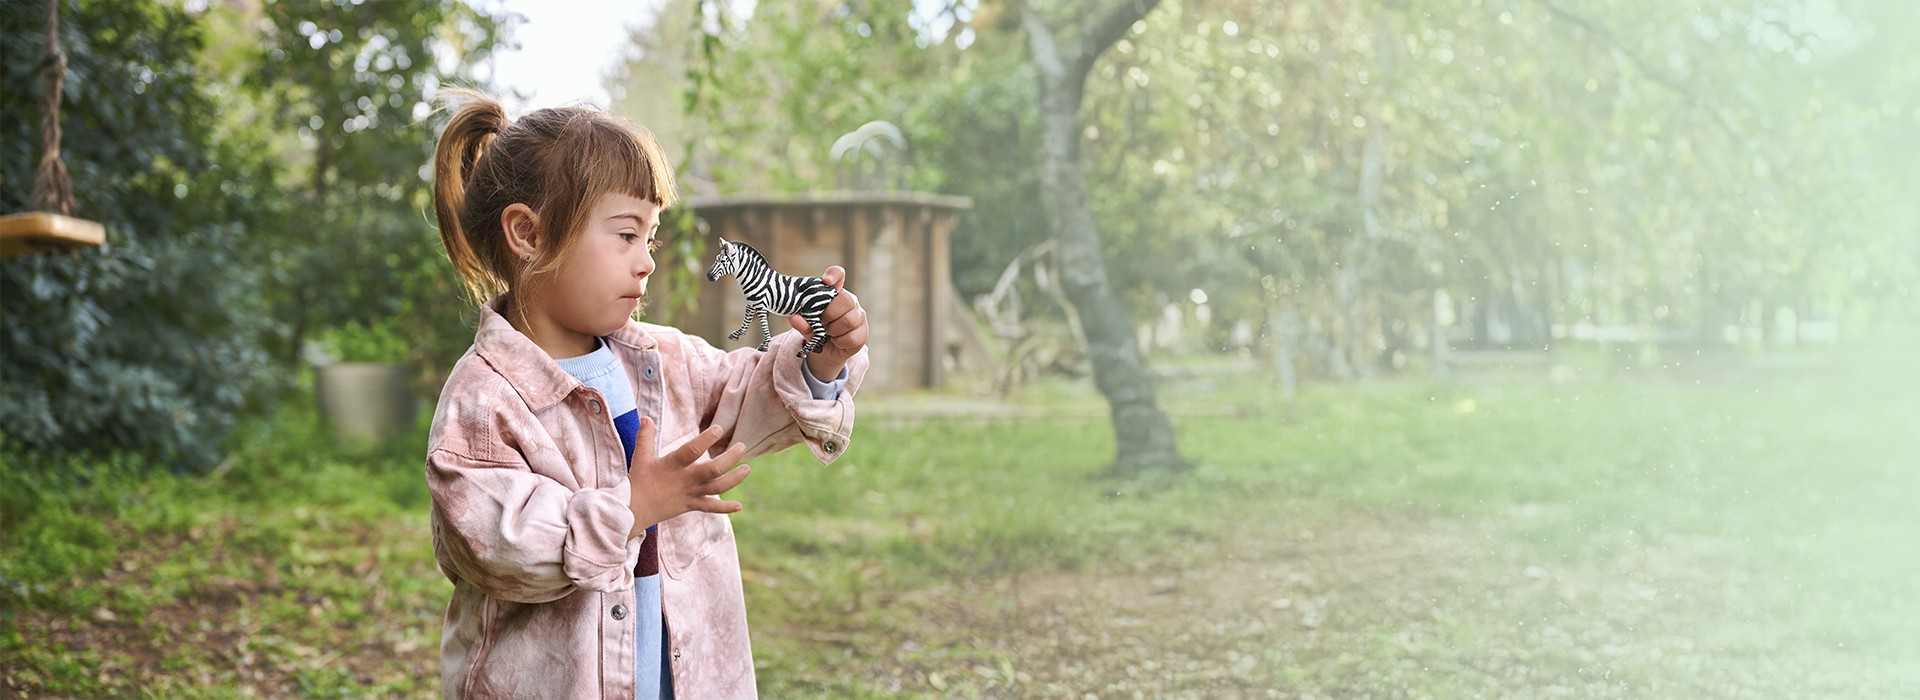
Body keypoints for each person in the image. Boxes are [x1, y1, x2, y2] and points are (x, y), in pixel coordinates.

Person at [423, 89, 869, 699]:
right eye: (626, 235)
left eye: (651, 240)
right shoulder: (485, 401)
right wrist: (633, 508)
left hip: (677, 674)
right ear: (529, 233)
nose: (646, 264)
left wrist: (823, 355)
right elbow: (496, 548)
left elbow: (750, 395)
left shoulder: (663, 360)